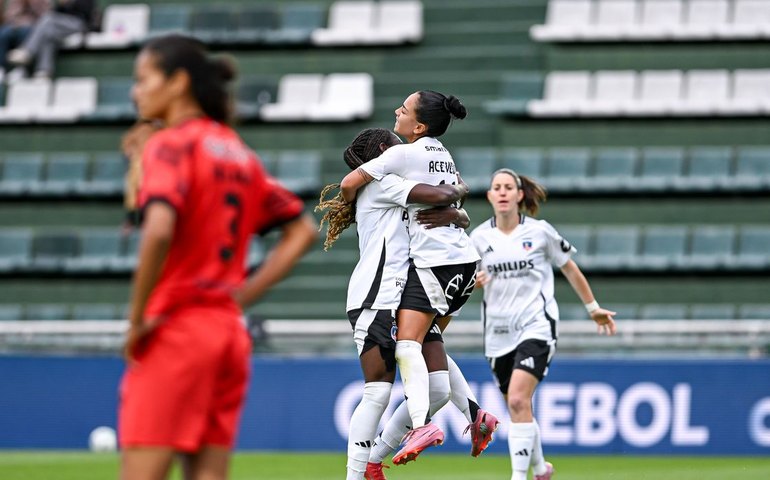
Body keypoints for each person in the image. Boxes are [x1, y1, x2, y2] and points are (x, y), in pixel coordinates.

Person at [120, 34, 317, 480]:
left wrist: (136, 321)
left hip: (177, 327)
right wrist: (241, 297)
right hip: (228, 331)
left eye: (143, 78)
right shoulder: (239, 154)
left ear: (178, 82)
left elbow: (159, 230)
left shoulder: (169, 145)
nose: (136, 90)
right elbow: (302, 231)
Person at [318, 127, 491, 480]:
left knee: (437, 385)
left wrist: (458, 215)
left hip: (404, 293)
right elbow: (440, 193)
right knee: (377, 392)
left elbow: (447, 211)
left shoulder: (391, 185)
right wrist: (458, 194)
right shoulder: (384, 186)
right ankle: (359, 473)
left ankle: (470, 414)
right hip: (376, 296)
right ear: (384, 151)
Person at [469, 169, 617, 480]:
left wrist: (593, 308)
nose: (504, 192)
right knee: (517, 407)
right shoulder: (479, 238)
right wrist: (474, 282)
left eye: (509, 187)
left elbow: (570, 268)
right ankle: (540, 469)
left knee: (520, 399)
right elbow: (463, 282)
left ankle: (519, 477)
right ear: (490, 196)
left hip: (536, 324)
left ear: (520, 195)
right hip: (497, 331)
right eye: (497, 187)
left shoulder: (539, 232)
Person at [6, 0, 94, 78]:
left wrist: (70, 3)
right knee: (49, 33)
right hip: (62, 25)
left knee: (48, 18)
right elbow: (57, 12)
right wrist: (62, 5)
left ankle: (28, 51)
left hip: (80, 25)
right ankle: (44, 72)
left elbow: (85, 14)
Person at [0, 0, 50, 82]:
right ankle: (1, 68)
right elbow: (10, 16)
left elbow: (44, 17)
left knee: (25, 33)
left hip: (32, 27)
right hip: (14, 26)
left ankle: (20, 69)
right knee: (3, 33)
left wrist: (31, 3)